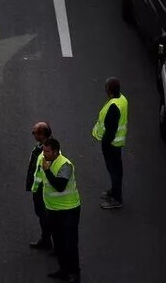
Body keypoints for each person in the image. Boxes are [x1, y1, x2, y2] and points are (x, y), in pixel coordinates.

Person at [41, 137, 82, 282]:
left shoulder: (65, 165)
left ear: (56, 151)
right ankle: (63, 269)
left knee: (70, 243)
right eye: (43, 150)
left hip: (69, 209)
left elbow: (60, 186)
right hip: (53, 209)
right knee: (58, 243)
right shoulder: (46, 161)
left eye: (47, 151)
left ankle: (74, 273)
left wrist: (47, 171)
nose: (44, 154)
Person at [92, 76, 128, 210]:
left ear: (109, 90)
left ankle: (117, 199)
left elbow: (110, 131)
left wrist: (105, 145)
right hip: (117, 143)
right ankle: (114, 191)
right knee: (116, 170)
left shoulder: (113, 106)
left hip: (111, 144)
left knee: (114, 171)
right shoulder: (122, 99)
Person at [27, 122, 55, 252]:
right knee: (42, 215)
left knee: (45, 217)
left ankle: (51, 243)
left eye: (34, 133)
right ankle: (46, 240)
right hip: (38, 188)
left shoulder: (47, 152)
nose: (33, 135)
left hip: (43, 190)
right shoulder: (42, 147)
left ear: (41, 135)